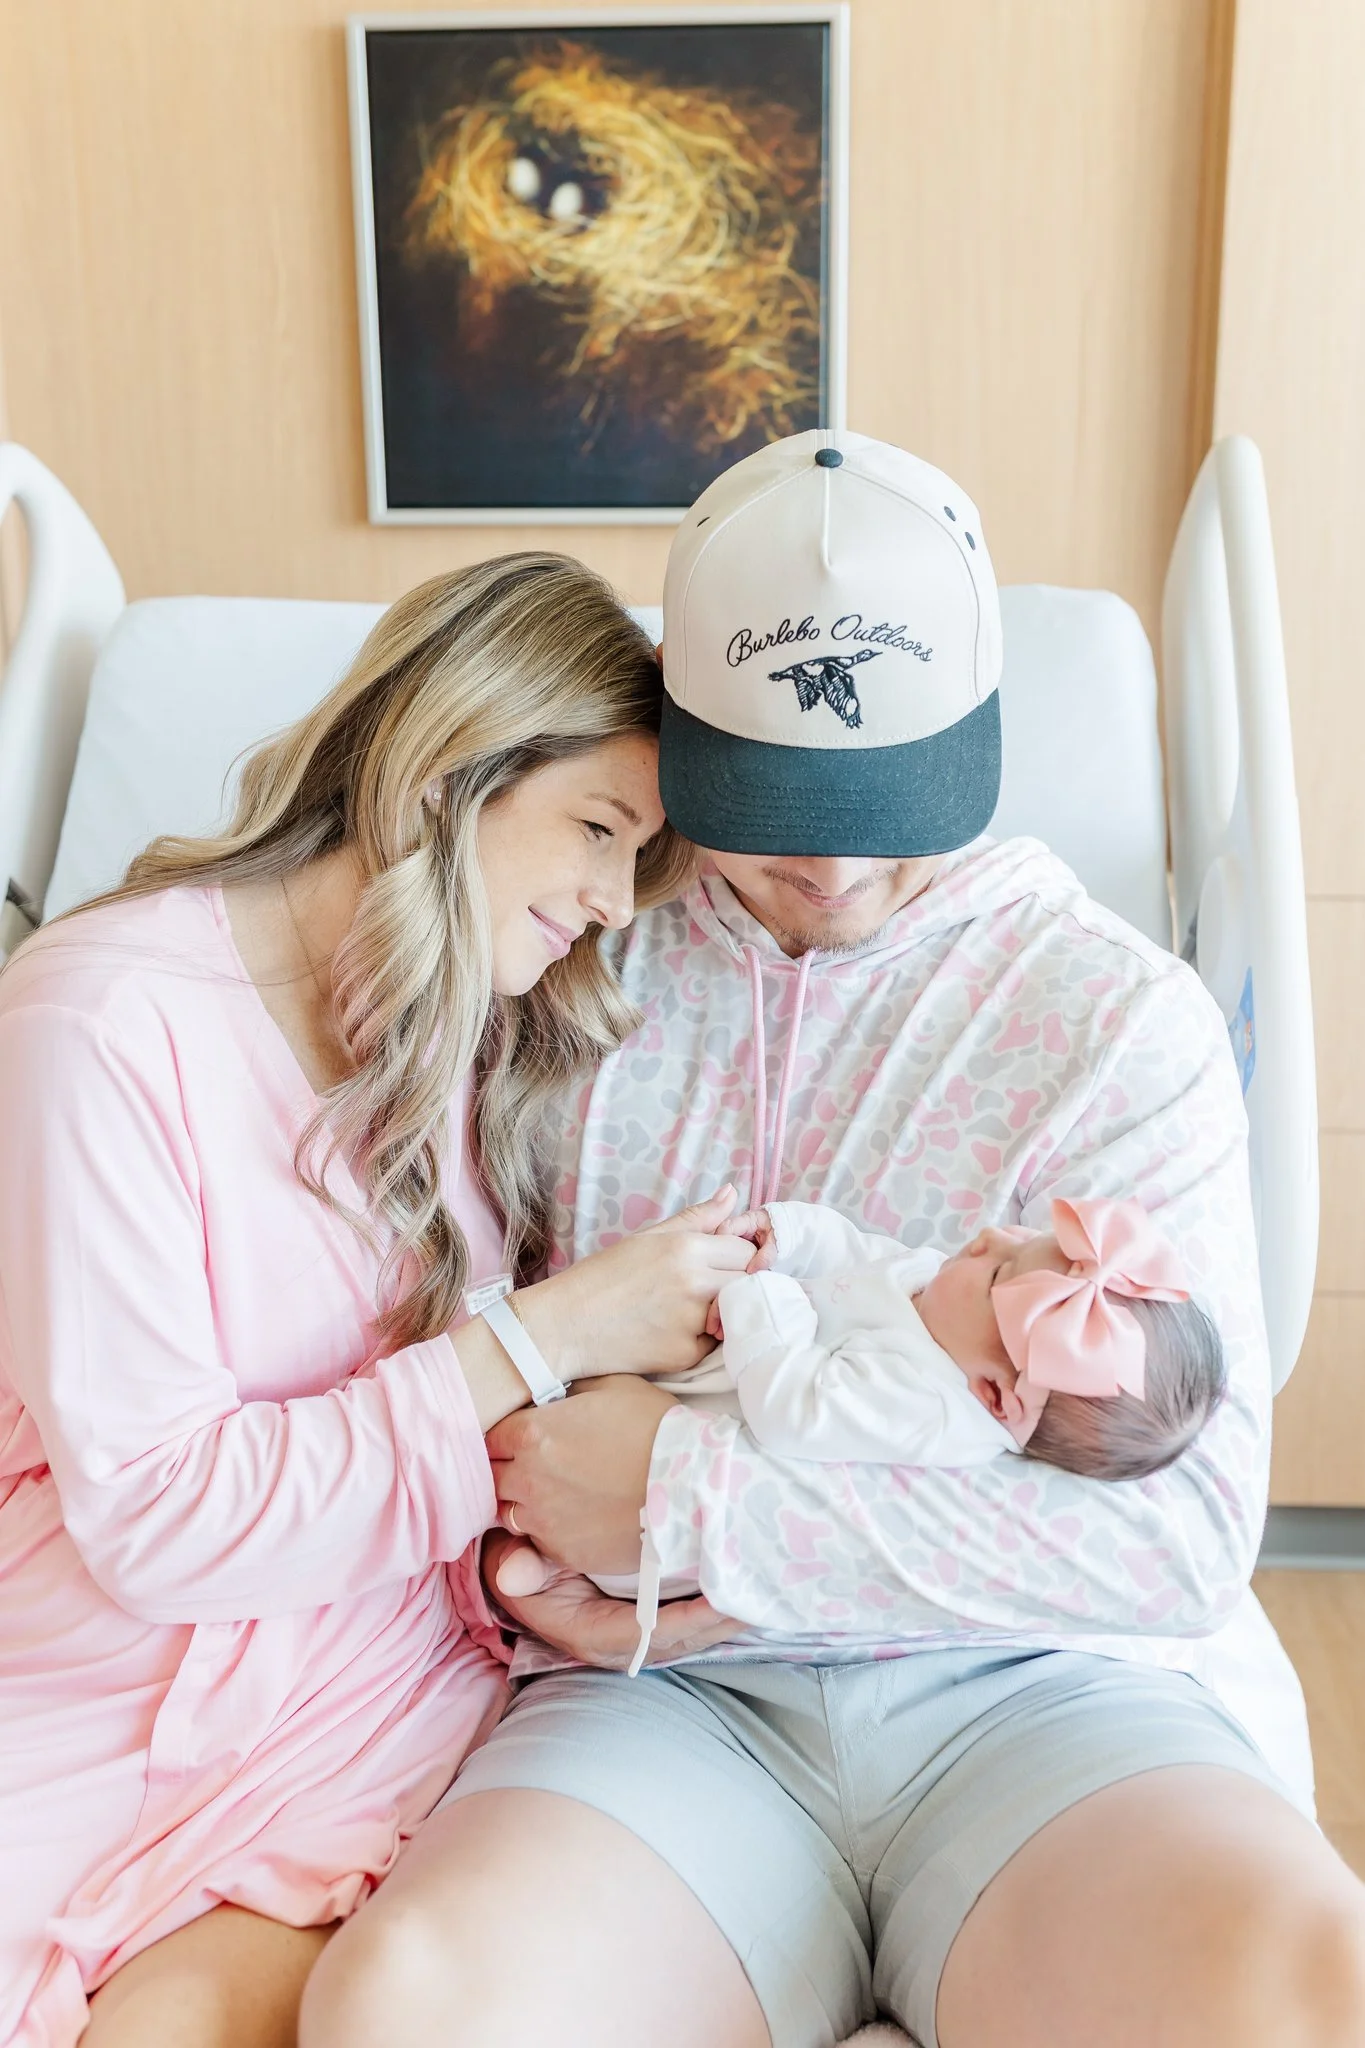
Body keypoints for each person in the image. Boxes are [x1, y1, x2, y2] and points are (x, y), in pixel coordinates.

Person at [304, 435, 1365, 2048]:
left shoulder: (1108, 1022)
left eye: (886, 805)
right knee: (407, 2010)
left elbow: (1177, 1534)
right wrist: (548, 1544)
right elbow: (451, 1383)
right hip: (659, 1707)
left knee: (1308, 1991)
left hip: (1044, 1698)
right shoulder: (570, 964)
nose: (837, 868)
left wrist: (704, 1504)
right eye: (782, 809)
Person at [0, 554, 755, 2048]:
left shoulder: (480, 1036)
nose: (612, 904)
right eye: (596, 830)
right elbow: (156, 1519)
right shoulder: (101, 1022)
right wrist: (548, 1336)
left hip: (373, 1685)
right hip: (112, 1652)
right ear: (444, 770)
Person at [704, 1193, 1227, 1479]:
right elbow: (859, 1261)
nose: (991, 1238)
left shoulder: (928, 1404)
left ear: (994, 1395)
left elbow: (791, 1408)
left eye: (999, 1273)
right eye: (1028, 1238)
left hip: (698, 1427)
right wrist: (793, 1234)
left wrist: (762, 1293)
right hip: (719, 1339)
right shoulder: (946, 1306)